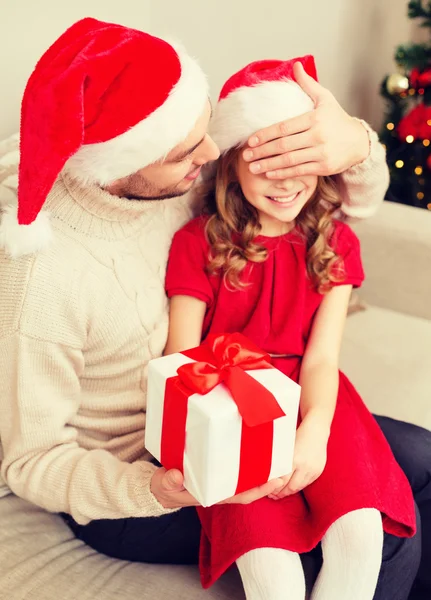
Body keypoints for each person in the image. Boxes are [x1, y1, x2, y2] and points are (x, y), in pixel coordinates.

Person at [0, 17, 428, 600]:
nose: (211, 150)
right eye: (185, 153)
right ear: (125, 163)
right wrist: (158, 487)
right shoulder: (44, 280)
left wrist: (355, 140)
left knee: (421, 464)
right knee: (389, 538)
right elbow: (31, 464)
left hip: (252, 404)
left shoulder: (186, 180)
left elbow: (345, 199)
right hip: (142, 475)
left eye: (207, 127)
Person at [163, 56, 416, 600]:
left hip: (316, 397)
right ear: (230, 164)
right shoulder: (197, 244)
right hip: (228, 406)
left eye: (297, 160)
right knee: (270, 569)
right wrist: (224, 441)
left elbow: (323, 358)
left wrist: (315, 430)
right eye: (264, 163)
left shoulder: (337, 243)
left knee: (360, 535)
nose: (285, 181)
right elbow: (182, 359)